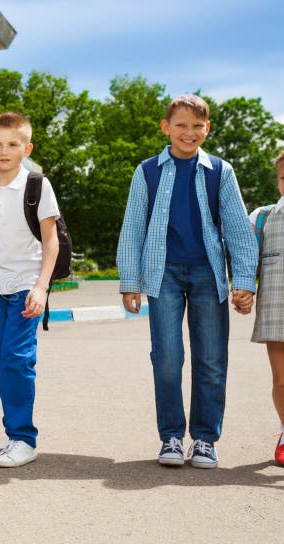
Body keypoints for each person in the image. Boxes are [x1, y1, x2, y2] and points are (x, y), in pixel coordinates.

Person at [117, 94, 258, 469]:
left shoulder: (220, 171)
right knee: (167, 357)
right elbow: (133, 227)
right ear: (166, 128)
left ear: (207, 129)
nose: (189, 132)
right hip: (163, 273)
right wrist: (129, 280)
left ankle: (206, 439)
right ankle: (172, 438)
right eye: (180, 125)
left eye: (197, 126)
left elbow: (239, 228)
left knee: (211, 358)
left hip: (207, 273)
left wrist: (244, 279)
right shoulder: (147, 170)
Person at [0, 112, 59, 468]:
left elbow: (51, 241)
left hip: (28, 285)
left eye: (13, 144)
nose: (4, 150)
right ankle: (15, 428)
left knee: (16, 358)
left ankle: (23, 437)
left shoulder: (37, 185)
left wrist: (42, 287)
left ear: (26, 148)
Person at [248, 149, 284, 465]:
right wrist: (243, 288)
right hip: (277, 308)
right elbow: (246, 256)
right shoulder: (264, 216)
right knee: (282, 380)